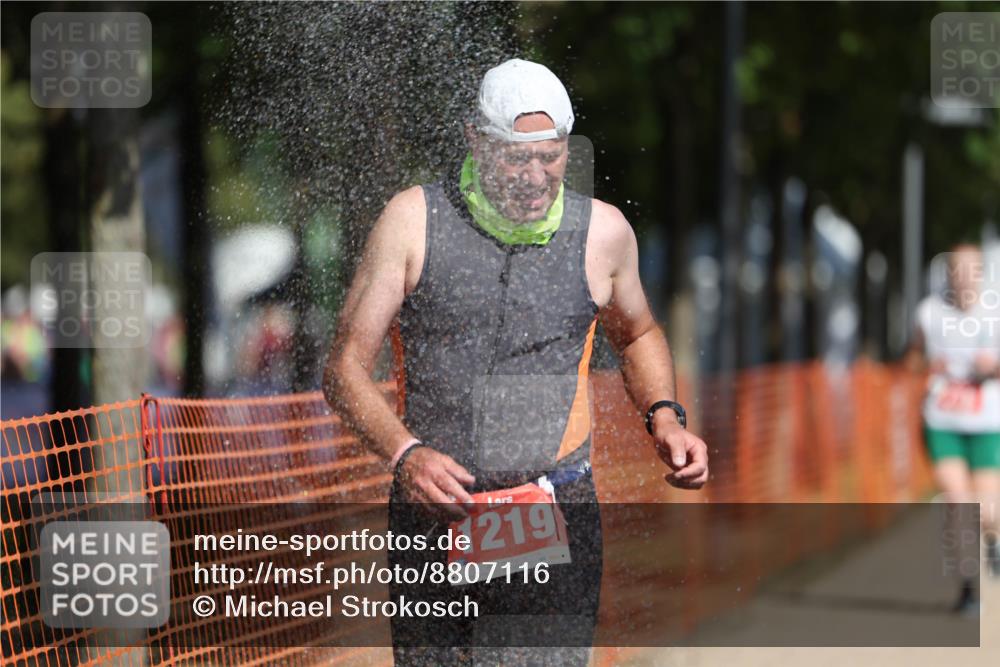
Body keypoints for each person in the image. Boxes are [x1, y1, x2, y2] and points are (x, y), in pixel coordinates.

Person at [324, 58, 708, 665]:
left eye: (550, 156)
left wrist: (665, 415)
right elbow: (344, 367)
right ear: (475, 142)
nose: (534, 175)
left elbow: (637, 334)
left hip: (552, 509)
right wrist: (405, 455)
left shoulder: (602, 234)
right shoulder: (413, 222)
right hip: (437, 511)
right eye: (514, 157)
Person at [907, 243, 1000, 615]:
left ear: (980, 274)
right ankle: (968, 588)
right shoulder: (929, 313)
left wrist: (992, 368)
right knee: (957, 502)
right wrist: (928, 367)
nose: (963, 278)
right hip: (943, 421)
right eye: (956, 270)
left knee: (988, 511)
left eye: (970, 270)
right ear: (948, 274)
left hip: (986, 422)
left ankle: (993, 542)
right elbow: (913, 358)